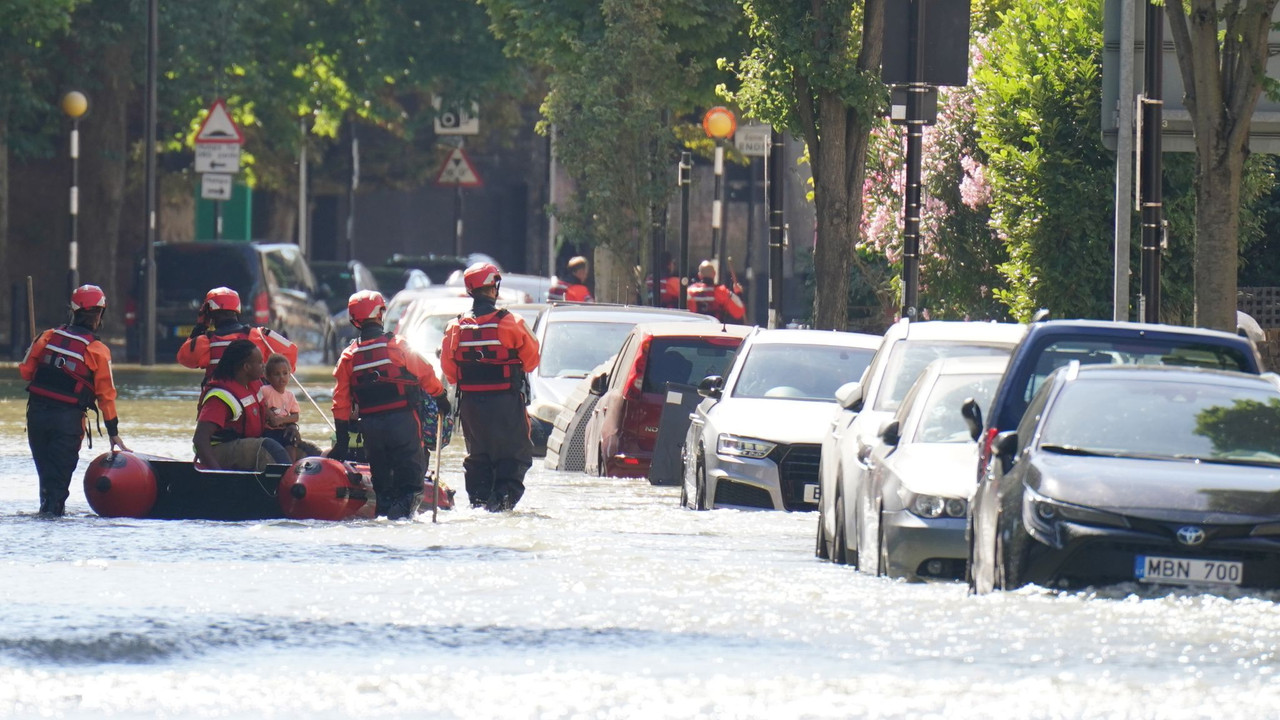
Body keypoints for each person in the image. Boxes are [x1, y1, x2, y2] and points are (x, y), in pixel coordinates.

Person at [330, 290, 451, 520]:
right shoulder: (398, 345)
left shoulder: (348, 357)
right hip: (404, 423)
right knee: (411, 487)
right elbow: (426, 373)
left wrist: (342, 441)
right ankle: (399, 519)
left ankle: (385, 517)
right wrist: (441, 397)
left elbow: (340, 402)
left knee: (383, 489)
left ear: (354, 319)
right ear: (380, 314)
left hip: (372, 429)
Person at [20, 284, 129, 516]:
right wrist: (113, 432)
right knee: (58, 487)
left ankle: (44, 521)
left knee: (46, 481)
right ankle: (53, 523)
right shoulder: (98, 350)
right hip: (67, 422)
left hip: (37, 416)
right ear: (100, 314)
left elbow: (26, 372)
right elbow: (106, 395)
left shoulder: (47, 336)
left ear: (73, 310)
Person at [441, 262, 541, 511]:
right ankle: (500, 504)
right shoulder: (512, 323)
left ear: (470, 290)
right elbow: (531, 361)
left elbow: (450, 373)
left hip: (471, 407)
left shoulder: (454, 328)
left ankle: (479, 504)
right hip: (506, 404)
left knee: (478, 458)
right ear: (494, 288)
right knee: (514, 457)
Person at [193, 340, 291, 471]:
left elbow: (271, 414)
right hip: (218, 451)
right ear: (246, 367)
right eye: (260, 362)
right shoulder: (220, 397)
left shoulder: (256, 385)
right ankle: (288, 481)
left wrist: (290, 426)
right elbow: (200, 439)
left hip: (248, 442)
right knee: (267, 449)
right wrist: (217, 475)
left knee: (298, 447)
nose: (263, 366)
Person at [177, 286, 298, 386]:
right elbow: (291, 352)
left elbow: (184, 358)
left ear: (209, 312)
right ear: (237, 309)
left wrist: (200, 326)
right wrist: (268, 377)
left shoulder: (205, 342)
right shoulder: (259, 335)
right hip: (253, 402)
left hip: (218, 400)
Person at [261, 353, 323, 462]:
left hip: (283, 429)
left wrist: (282, 420)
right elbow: (258, 402)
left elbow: (295, 416)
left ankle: (290, 465)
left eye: (285, 373)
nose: (282, 377)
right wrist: (269, 414)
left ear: (289, 375)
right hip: (268, 430)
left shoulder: (290, 395)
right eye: (277, 374)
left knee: (291, 441)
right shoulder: (265, 390)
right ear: (268, 377)